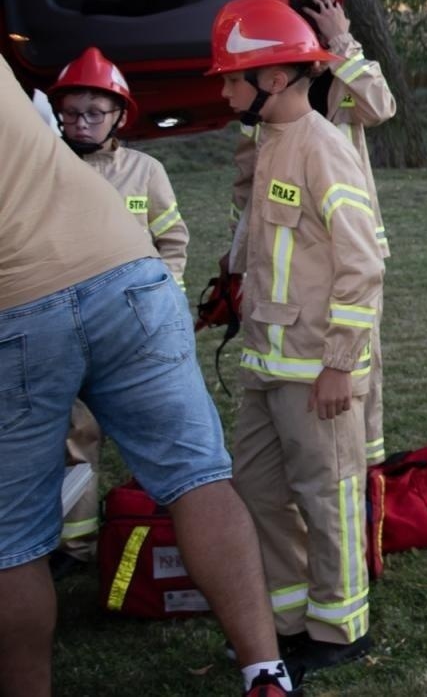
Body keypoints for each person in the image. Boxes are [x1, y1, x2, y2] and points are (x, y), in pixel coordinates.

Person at [0, 60, 293, 696]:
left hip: (18, 305)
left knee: (12, 540)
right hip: (128, 276)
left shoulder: (146, 173)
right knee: (199, 478)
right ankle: (266, 675)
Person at [210, 0, 385, 677]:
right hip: (265, 363)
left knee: (327, 493)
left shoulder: (323, 147)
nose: (225, 92)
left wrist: (340, 364)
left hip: (315, 367)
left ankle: (340, 628)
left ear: (274, 79)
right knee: (257, 489)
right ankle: (284, 616)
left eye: (232, 79)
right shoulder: (265, 145)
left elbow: (362, 263)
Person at [229, 0, 396, 465]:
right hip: (289, 245)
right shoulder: (264, 103)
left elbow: (382, 106)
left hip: (348, 236)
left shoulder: (339, 80)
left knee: (360, 360)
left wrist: (343, 40)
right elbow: (248, 181)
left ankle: (362, 467)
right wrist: (238, 252)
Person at [44, 47, 191, 571]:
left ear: (120, 116)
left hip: (134, 332)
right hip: (65, 327)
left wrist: (164, 297)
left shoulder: (144, 172)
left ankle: (171, 534)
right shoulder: (47, 166)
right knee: (74, 437)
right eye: (70, 113)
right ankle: (75, 546)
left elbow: (172, 240)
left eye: (93, 114)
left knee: (157, 435)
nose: (81, 124)